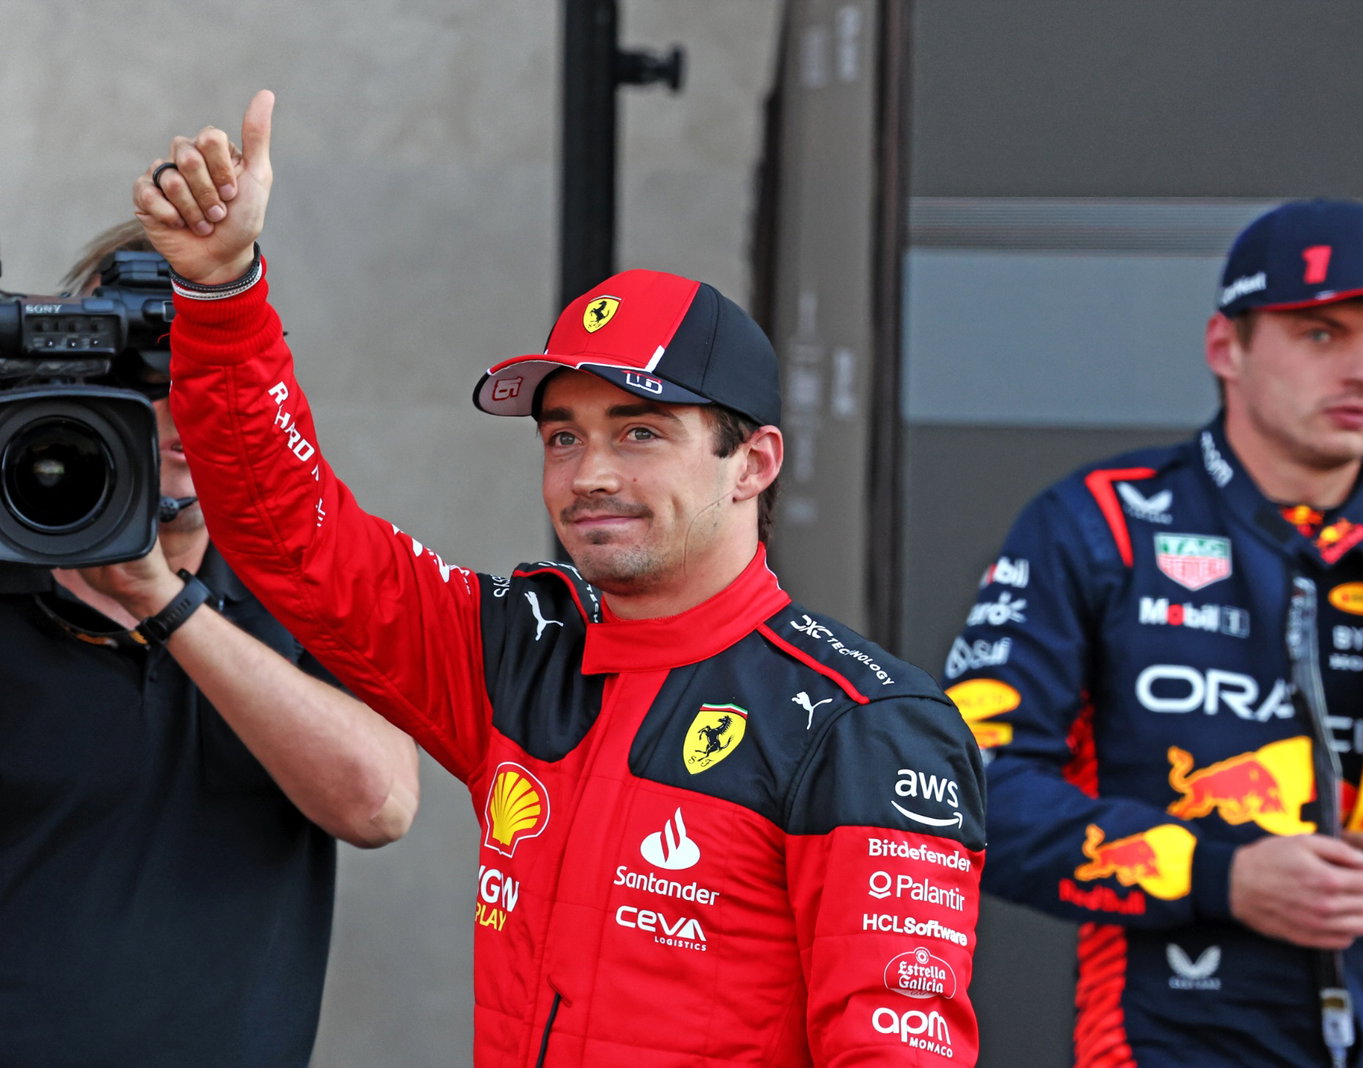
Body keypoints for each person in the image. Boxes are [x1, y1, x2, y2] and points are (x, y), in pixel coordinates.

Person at [128, 90, 986, 1066]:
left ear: (753, 463)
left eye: (641, 433)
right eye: (562, 437)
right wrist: (221, 289)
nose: (592, 475)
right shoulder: (522, 652)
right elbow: (291, 535)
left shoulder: (859, 725)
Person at [943, 198, 1363, 1065]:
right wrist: (1220, 876)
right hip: (1167, 1037)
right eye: (1322, 335)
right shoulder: (1102, 524)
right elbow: (963, 786)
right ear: (1228, 347)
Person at [0, 220, 421, 1065]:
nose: (180, 405)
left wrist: (166, 603)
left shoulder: (308, 576)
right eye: (144, 374)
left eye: (208, 371)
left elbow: (379, 805)